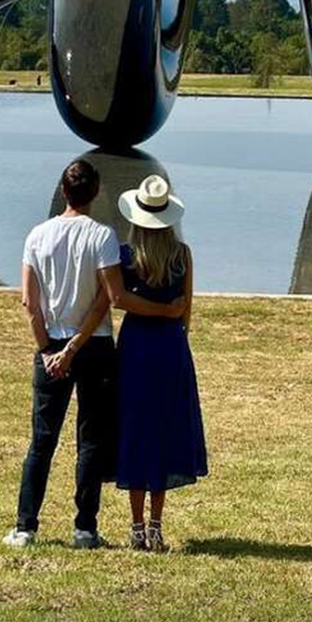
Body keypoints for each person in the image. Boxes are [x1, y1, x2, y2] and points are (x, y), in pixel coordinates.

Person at [3, 159, 185, 549]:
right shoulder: (102, 237)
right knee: (90, 440)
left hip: (49, 344)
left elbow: (28, 302)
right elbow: (107, 299)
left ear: (63, 191)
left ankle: (25, 525)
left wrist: (50, 350)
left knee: (41, 441)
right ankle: (84, 527)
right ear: (96, 192)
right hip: (94, 346)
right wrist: (75, 346)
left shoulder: (36, 235)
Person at [115, 174, 208, 552]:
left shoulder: (126, 256)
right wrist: (170, 318)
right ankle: (156, 525)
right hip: (170, 348)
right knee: (166, 430)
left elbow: (117, 299)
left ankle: (137, 527)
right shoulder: (181, 255)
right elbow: (186, 309)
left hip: (136, 345)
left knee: (136, 430)